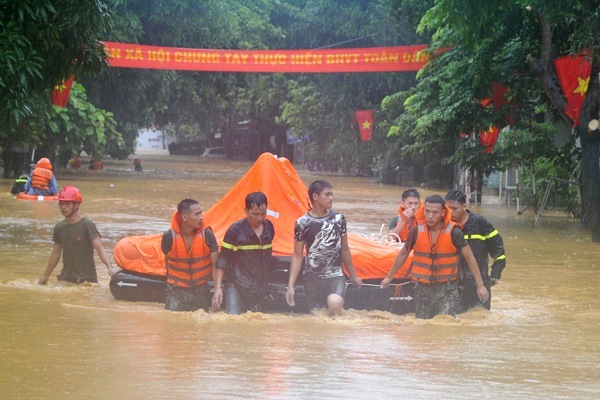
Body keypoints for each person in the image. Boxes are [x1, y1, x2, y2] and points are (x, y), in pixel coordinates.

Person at [381, 194, 489, 319]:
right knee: (423, 327)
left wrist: (481, 286)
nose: (430, 216)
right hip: (422, 291)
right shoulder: (415, 231)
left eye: (435, 212)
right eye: (427, 211)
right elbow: (403, 254)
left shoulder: (454, 232)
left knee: (444, 324)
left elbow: (470, 258)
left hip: (447, 290)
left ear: (443, 212)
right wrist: (389, 277)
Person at [285, 180, 362, 316]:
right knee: (316, 315)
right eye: (327, 195)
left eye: (332, 194)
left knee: (334, 303)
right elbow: (297, 255)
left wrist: (354, 276)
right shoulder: (302, 223)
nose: (331, 198)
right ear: (315, 196)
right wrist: (290, 286)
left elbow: (345, 249)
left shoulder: (339, 219)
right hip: (311, 278)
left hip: (335, 276)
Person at [37, 186, 119, 285]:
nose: (63, 207)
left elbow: (99, 248)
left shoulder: (87, 224)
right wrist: (45, 276)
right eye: (61, 204)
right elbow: (55, 254)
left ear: (76, 205)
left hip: (87, 279)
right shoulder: (59, 227)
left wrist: (109, 267)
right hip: (66, 278)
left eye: (67, 204)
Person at [445, 190, 507, 313]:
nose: (450, 212)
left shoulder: (480, 223)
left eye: (454, 208)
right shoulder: (443, 225)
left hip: (479, 283)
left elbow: (498, 250)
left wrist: (495, 276)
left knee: (480, 318)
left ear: (464, 207)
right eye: (447, 208)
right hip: (453, 285)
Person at [213, 192, 275, 314]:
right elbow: (222, 260)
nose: (259, 218)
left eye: (263, 214)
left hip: (259, 285)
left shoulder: (269, 227)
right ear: (246, 211)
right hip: (236, 285)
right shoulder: (234, 230)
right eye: (255, 214)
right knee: (233, 319)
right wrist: (218, 288)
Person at [161, 199, 219, 312]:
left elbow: (215, 265)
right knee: (172, 320)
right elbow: (167, 261)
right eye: (197, 214)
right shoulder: (168, 237)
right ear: (184, 217)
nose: (201, 217)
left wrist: (217, 290)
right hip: (176, 290)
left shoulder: (208, 235)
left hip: (201, 288)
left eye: (201, 213)